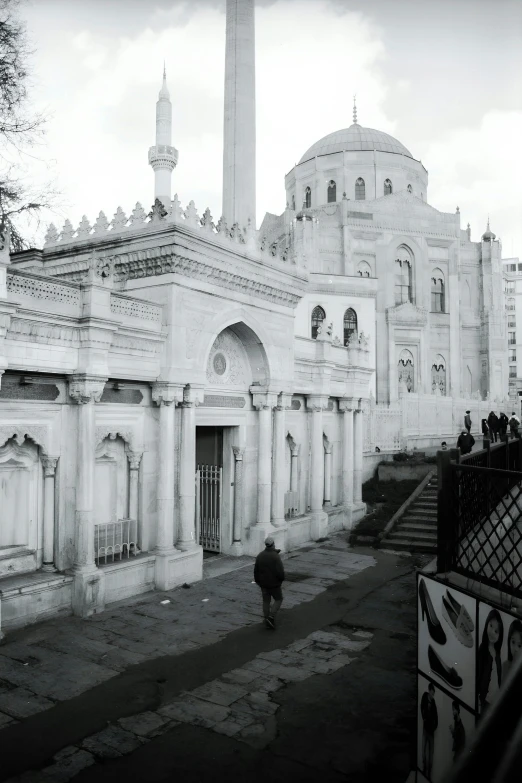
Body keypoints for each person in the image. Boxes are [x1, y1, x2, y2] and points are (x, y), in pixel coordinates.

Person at [254, 536, 285, 629]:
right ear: (273, 544)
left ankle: (266, 619)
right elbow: (280, 572)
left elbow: (256, 571)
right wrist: (281, 579)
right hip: (274, 584)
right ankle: (271, 617)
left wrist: (258, 582)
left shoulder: (260, 555)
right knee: (278, 599)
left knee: (266, 601)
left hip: (263, 584)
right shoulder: (275, 557)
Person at [477, 609, 504, 714]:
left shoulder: (497, 653)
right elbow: (478, 674)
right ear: (486, 625)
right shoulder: (482, 649)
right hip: (485, 699)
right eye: (491, 626)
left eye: (496, 631)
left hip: (495, 699)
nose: (492, 632)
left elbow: (498, 675)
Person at [420, 682, 438, 779]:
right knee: (423, 751)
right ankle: (424, 769)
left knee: (431, 753)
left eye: (433, 694)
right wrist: (424, 717)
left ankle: (429, 773)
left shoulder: (433, 702)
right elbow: (421, 706)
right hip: (425, 730)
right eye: (432, 693)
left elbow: (436, 718)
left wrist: (434, 727)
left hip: (430, 731)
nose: (433, 695)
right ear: (429, 691)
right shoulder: (424, 696)